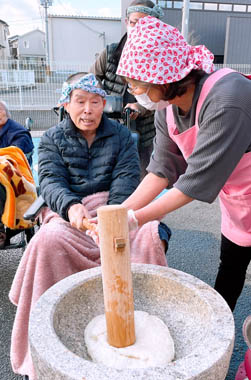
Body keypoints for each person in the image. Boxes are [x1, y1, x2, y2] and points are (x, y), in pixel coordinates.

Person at [9, 73, 171, 380]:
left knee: (150, 234)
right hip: (70, 213)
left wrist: (113, 217)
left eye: (95, 102)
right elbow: (51, 182)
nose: (88, 110)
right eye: (80, 102)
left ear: (103, 104)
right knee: (49, 239)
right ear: (66, 104)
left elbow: (126, 179)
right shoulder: (52, 140)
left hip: (116, 208)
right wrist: (72, 207)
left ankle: (145, 319)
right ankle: (51, 328)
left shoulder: (121, 136)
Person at [116, 16, 251, 312]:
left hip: (237, 187)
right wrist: (119, 212)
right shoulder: (167, 108)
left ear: (164, 76)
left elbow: (194, 182)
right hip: (239, 200)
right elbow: (162, 169)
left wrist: (135, 221)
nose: (135, 92)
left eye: (137, 84)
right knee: (230, 269)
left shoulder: (227, 97)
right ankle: (218, 338)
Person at [89, 0, 164, 179]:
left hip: (144, 132)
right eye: (135, 22)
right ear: (126, 22)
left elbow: (164, 96)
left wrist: (142, 107)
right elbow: (91, 80)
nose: (140, 28)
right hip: (107, 129)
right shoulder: (110, 53)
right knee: (104, 180)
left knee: (139, 182)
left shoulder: (161, 57)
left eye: (146, 24)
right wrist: (101, 100)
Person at [0, 100, 34, 247]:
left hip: (14, 181)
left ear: (6, 113)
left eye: (0, 110)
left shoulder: (18, 132)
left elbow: (16, 156)